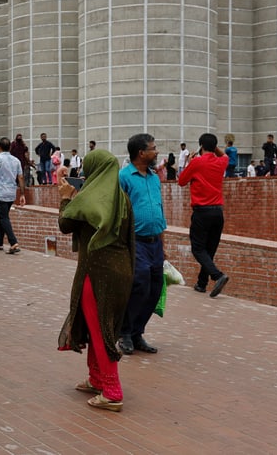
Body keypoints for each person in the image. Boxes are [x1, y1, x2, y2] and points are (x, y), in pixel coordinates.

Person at [56, 149, 134, 412]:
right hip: (122, 271)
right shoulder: (121, 199)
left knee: (101, 331)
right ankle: (96, 378)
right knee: (98, 325)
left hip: (97, 274)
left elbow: (65, 225)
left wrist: (65, 199)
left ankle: (112, 390)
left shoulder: (88, 199)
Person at [117, 134, 166, 355]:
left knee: (155, 289)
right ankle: (124, 332)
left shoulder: (154, 178)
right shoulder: (124, 177)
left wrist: (164, 246)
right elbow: (118, 212)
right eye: (153, 149)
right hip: (136, 242)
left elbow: (159, 209)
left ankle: (137, 333)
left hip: (155, 242)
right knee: (140, 284)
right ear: (141, 153)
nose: (156, 152)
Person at [178, 133, 230, 298]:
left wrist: (189, 162)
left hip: (202, 212)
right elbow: (225, 155)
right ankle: (201, 284)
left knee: (198, 248)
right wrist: (215, 148)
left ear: (201, 145)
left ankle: (217, 276)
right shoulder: (221, 161)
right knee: (209, 250)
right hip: (218, 212)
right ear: (215, 147)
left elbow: (181, 181)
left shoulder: (197, 162)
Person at [0, 137, 26, 254]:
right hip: (12, 192)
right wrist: (22, 194)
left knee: (4, 217)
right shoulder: (16, 161)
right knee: (4, 215)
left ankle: (13, 242)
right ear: (10, 147)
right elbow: (20, 177)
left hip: (0, 192)